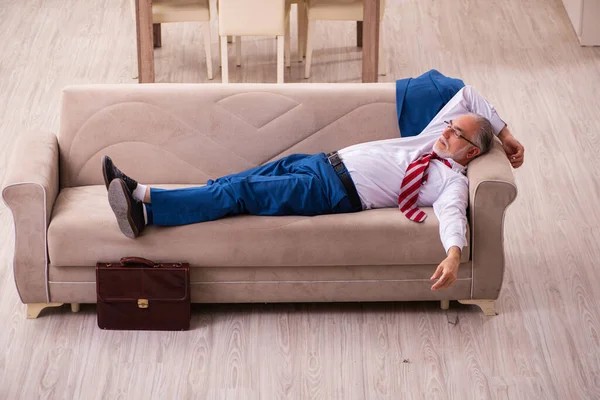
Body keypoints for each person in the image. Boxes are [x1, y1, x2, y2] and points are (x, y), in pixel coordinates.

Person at [103, 85, 524, 291]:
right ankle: (148, 210)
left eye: (457, 134)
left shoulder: (450, 180)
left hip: (330, 193)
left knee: (238, 195)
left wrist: (453, 257)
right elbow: (468, 93)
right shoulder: (430, 137)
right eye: (450, 126)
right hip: (321, 162)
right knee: (232, 182)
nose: (447, 132)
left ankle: (143, 197)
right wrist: (506, 135)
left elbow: (452, 216)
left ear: (470, 154)